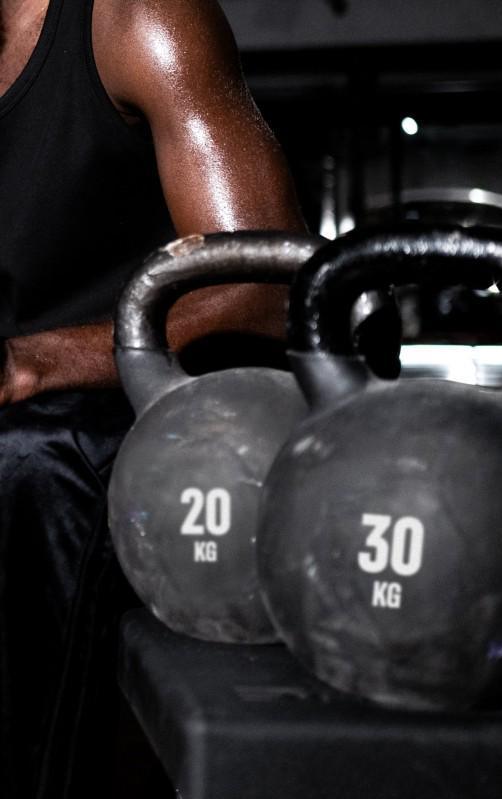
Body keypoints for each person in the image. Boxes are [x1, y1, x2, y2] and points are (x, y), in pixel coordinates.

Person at [0, 0, 308, 795]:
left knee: (27, 458)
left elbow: (265, 283)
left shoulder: (139, 21)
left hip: (150, 418)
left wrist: (31, 361)